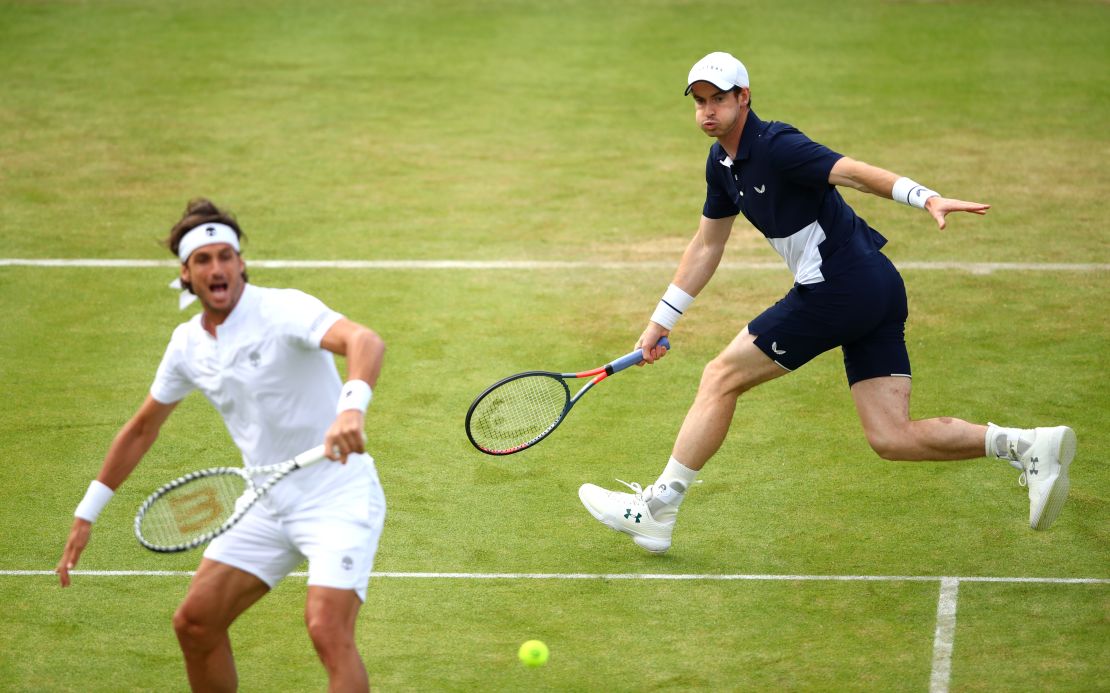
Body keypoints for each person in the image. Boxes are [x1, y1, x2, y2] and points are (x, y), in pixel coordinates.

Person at [578, 52, 1077, 554]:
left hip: (841, 287)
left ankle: (658, 510)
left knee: (720, 376)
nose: (708, 111)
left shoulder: (777, 146)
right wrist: (661, 321)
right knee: (891, 436)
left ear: (743, 98)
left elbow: (854, 172)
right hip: (875, 285)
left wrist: (925, 197)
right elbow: (707, 245)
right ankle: (1029, 445)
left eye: (719, 100)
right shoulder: (722, 164)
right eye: (700, 102)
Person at [56, 199, 387, 692]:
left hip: (337, 497)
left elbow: (365, 341)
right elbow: (143, 428)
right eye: (204, 260)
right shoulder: (187, 344)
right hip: (267, 500)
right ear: (186, 275)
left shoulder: (283, 309)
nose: (218, 268)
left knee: (327, 630)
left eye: (226, 256)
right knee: (195, 623)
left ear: (241, 263)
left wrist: (351, 407)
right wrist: (87, 513)